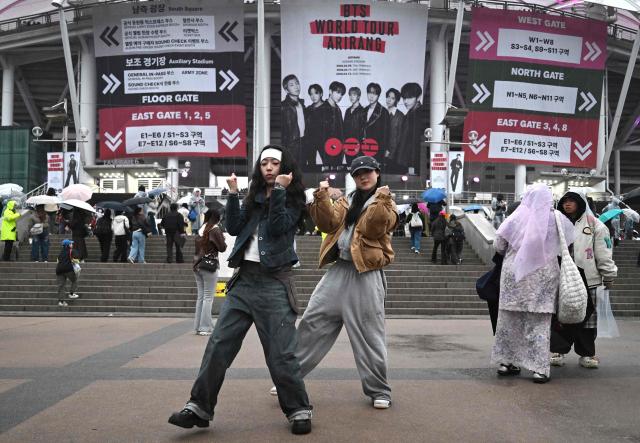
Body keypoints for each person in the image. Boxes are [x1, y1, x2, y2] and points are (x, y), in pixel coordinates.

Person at [168, 145, 313, 435]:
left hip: (274, 283)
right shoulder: (254, 197)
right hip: (243, 281)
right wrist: (233, 193)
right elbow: (233, 227)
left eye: (274, 163)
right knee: (219, 344)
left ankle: (298, 408)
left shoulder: (294, 199)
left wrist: (281, 192)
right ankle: (199, 406)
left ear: (285, 168)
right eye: (264, 163)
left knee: (280, 353)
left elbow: (278, 226)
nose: (269, 167)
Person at [285, 155, 397, 410]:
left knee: (369, 334)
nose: (363, 176)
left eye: (367, 172)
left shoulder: (387, 203)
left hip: (366, 274)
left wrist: (381, 199)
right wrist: (322, 197)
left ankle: (380, 390)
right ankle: (289, 379)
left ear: (377, 173)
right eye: (358, 174)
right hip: (339, 271)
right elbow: (327, 223)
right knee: (313, 320)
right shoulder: (348, 200)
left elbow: (374, 229)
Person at [491, 184, 576, 383]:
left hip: (515, 276)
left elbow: (498, 245)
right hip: (544, 277)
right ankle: (539, 369)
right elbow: (569, 242)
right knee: (539, 324)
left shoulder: (516, 217)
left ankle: (506, 363)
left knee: (509, 321)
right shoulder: (558, 218)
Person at [550, 191, 617, 369]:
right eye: (565, 201)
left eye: (572, 201)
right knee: (559, 318)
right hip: (561, 279)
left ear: (580, 203)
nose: (568, 204)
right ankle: (558, 350)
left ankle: (587, 353)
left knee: (588, 321)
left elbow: (604, 253)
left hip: (589, 279)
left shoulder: (595, 225)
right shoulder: (555, 223)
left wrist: (608, 275)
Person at [192, 208, 227, 335]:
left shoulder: (202, 229)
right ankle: (205, 327)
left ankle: (198, 326)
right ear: (217, 217)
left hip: (197, 265)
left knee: (201, 297)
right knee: (208, 297)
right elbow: (222, 248)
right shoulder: (215, 230)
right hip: (209, 266)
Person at [398, 82, 427, 174]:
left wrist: (412, 165)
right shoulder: (409, 114)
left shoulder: (419, 115)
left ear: (418, 97)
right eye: (404, 98)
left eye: (409, 98)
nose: (405, 101)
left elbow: (415, 143)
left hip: (415, 164)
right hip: (406, 162)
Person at [281, 74, 306, 166]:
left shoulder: (302, 104)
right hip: (290, 145)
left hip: (303, 143)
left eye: (297, 83)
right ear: (286, 90)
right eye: (292, 85)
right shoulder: (283, 106)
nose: (296, 86)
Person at [362, 82, 389, 163]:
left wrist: (384, 150)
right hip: (364, 149)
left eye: (374, 93)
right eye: (369, 93)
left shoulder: (383, 112)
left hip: (377, 150)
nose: (371, 96)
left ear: (378, 95)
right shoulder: (364, 110)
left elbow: (386, 133)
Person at [304, 84, 330, 168]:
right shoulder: (308, 109)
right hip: (310, 141)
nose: (313, 96)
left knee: (328, 163)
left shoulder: (327, 107)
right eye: (311, 94)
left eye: (316, 93)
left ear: (321, 94)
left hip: (324, 140)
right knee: (311, 164)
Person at [385, 88, 405, 172]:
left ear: (396, 100)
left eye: (392, 98)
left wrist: (390, 152)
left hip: (394, 155)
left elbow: (399, 137)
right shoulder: (383, 113)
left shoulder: (400, 116)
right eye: (388, 97)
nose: (389, 100)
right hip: (382, 152)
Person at [55, 239, 80, 307]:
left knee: (61, 286)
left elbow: (58, 260)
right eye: (71, 244)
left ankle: (61, 301)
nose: (72, 244)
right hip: (68, 269)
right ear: (68, 245)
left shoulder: (61, 252)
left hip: (59, 270)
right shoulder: (71, 251)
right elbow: (76, 260)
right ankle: (71, 293)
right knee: (74, 280)